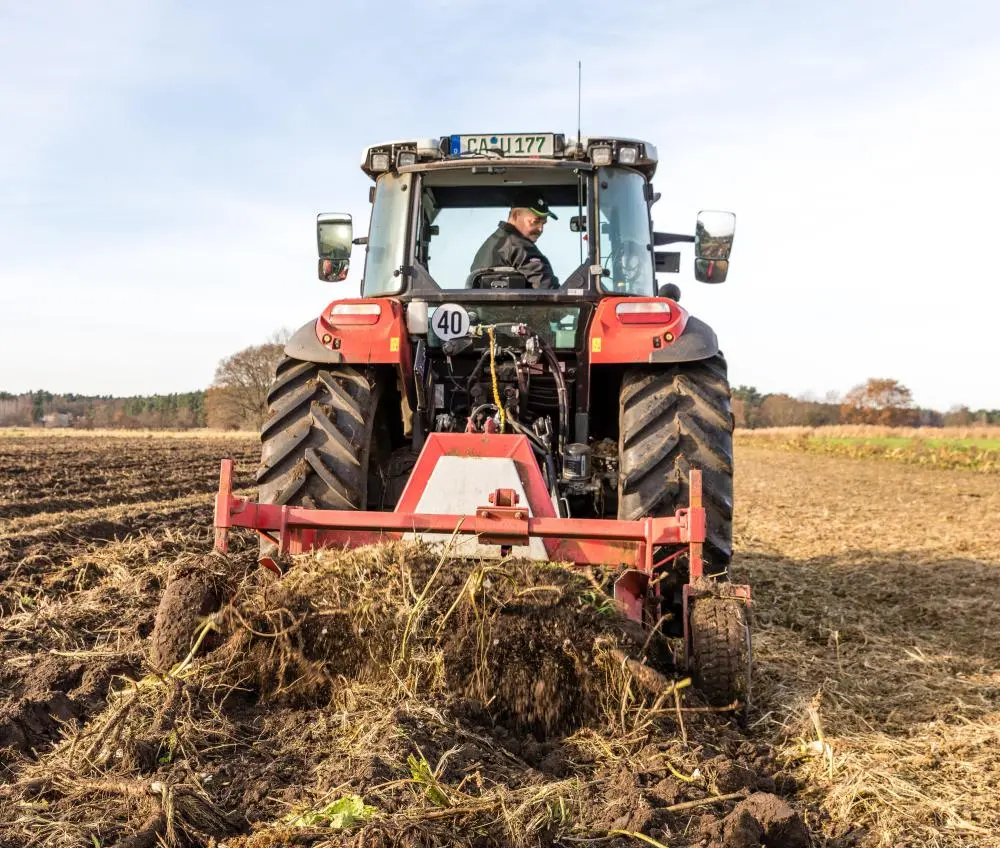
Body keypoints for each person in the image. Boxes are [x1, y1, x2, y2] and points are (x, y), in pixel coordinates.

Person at [470, 191, 559, 289]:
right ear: (516, 215)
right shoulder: (518, 246)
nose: (540, 229)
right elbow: (547, 287)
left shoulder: (491, 244)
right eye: (535, 221)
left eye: (543, 223)